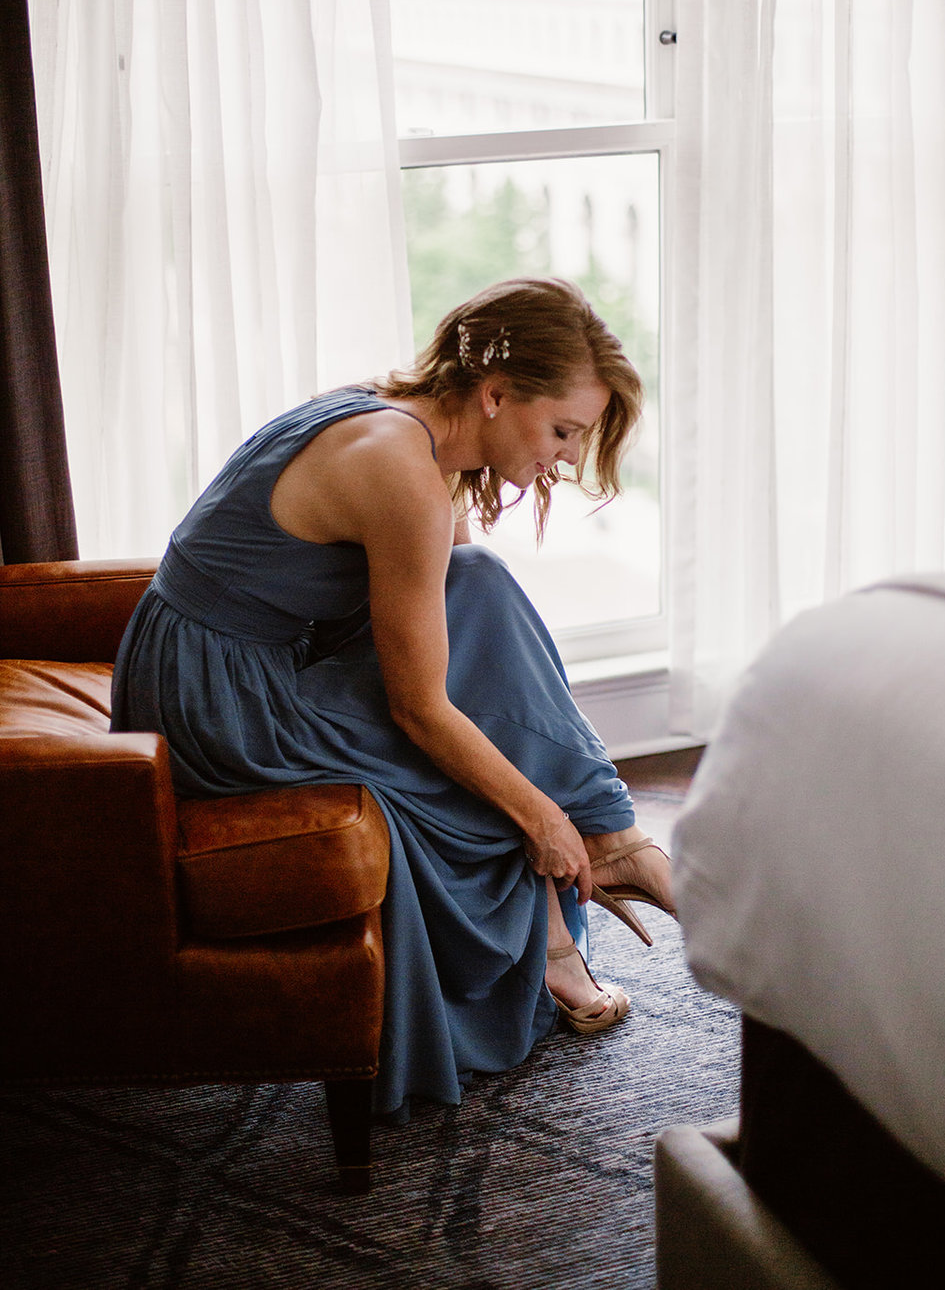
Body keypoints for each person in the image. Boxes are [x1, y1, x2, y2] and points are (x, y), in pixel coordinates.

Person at [111, 276, 674, 1119]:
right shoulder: (396, 468)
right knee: (489, 784)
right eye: (561, 430)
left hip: (232, 661)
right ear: (492, 394)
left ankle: (610, 838)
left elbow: (462, 609)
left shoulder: (395, 413)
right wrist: (544, 819)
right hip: (214, 704)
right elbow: (420, 709)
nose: (564, 456)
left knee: (478, 583)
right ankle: (585, 876)